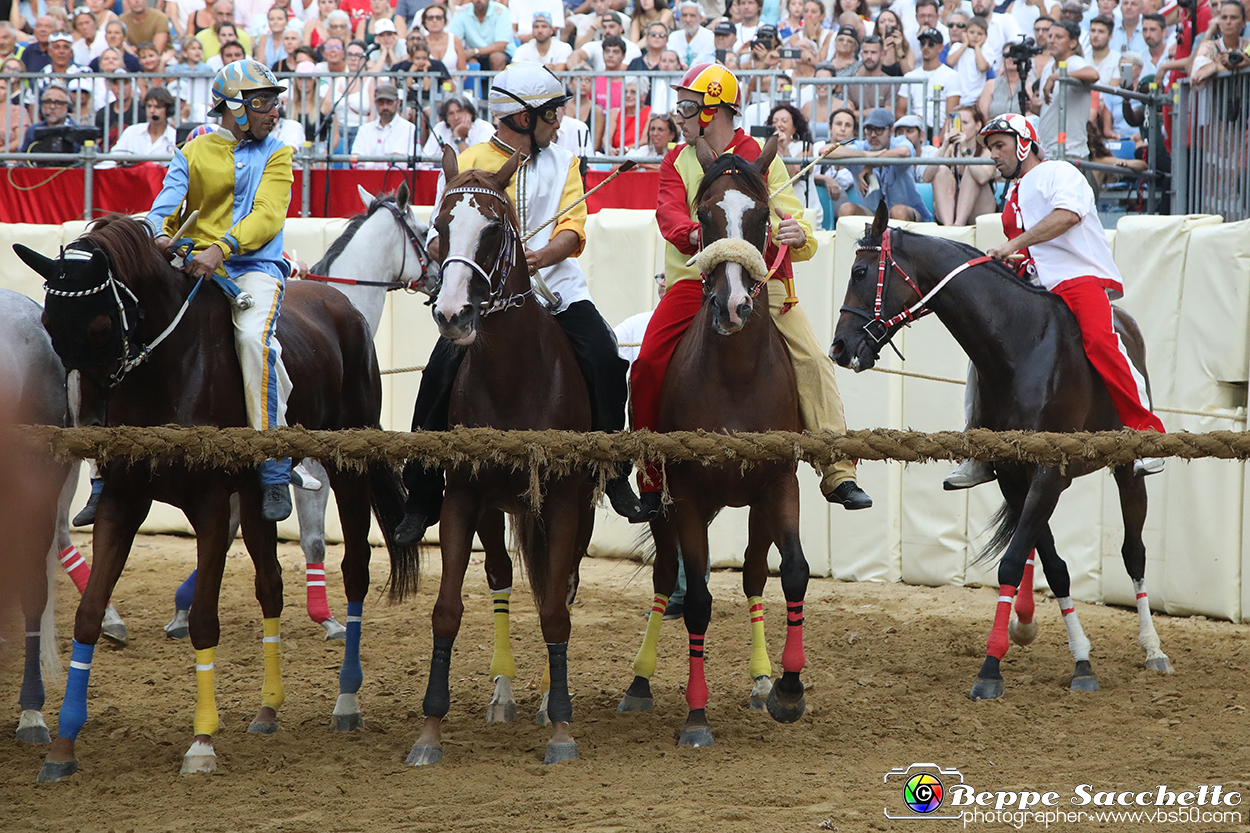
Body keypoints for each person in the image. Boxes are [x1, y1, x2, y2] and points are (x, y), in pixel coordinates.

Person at [394, 62, 648, 544]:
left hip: (559, 291)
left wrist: (534, 259)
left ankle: (614, 473)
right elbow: (438, 235)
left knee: (606, 359)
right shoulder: (469, 159)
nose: (559, 122)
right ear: (524, 117)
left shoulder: (565, 161)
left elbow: (572, 232)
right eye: (551, 114)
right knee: (437, 375)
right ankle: (424, 492)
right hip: (483, 303)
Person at [634, 63, 873, 517]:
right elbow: (670, 217)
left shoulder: (764, 159)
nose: (677, 117)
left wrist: (798, 234)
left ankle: (838, 469)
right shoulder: (674, 161)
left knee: (813, 359)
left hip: (765, 284)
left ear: (712, 111)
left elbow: (792, 216)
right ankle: (651, 476)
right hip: (692, 282)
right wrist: (703, 237)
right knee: (646, 362)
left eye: (686, 107)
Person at [946, 114, 1164, 488]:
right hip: (1036, 283)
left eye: (999, 146)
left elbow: (1067, 216)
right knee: (983, 350)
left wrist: (1014, 245)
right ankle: (978, 448)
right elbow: (1038, 248)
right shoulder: (1013, 192)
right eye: (990, 148)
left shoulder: (1060, 172)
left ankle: (1147, 433)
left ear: (1024, 143)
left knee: (1100, 340)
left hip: (1078, 278)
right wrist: (1016, 258)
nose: (994, 156)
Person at [144, 59, 297, 522]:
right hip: (191, 266)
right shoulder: (191, 152)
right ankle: (104, 472)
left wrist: (220, 248)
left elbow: (268, 216)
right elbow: (164, 209)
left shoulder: (280, 153)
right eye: (265, 103)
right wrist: (159, 235)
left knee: (253, 339)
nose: (275, 111)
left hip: (253, 269)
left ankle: (273, 464)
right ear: (236, 107)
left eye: (274, 102)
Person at [829, 106, 934, 221]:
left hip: (909, 214)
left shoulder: (900, 142)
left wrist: (870, 165)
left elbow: (903, 152)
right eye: (869, 129)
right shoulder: (862, 147)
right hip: (874, 217)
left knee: (898, 211)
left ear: (892, 131)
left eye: (879, 129)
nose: (873, 135)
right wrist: (868, 156)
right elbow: (825, 151)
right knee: (846, 209)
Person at [927, 103, 997, 225]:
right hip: (950, 212)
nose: (960, 128)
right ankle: (949, 227)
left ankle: (958, 225)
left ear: (978, 126)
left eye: (964, 123)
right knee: (941, 170)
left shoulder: (987, 152)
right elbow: (926, 177)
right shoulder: (950, 150)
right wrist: (944, 146)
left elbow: (982, 178)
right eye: (957, 123)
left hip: (980, 211)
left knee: (972, 171)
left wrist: (965, 152)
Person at [1038, 19, 1098, 160]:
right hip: (1048, 148)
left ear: (1072, 43)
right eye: (1050, 36)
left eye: (1058, 37)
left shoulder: (1074, 62)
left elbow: (1093, 74)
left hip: (1069, 150)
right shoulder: (1049, 66)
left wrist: (1058, 77)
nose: (1052, 40)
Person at [903, 26, 959, 130]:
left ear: (941, 48)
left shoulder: (952, 75)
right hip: (915, 129)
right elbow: (899, 111)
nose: (926, 47)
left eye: (931, 44)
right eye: (922, 43)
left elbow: (951, 115)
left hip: (939, 129)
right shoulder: (910, 76)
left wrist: (939, 141)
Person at [351, 82, 417, 167]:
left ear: (398, 103)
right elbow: (355, 160)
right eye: (381, 103)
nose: (385, 107)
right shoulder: (364, 130)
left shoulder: (409, 128)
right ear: (375, 103)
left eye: (389, 102)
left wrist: (370, 162)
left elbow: (406, 163)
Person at [1190, 0, 1250, 86]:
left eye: (1233, 18)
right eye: (1224, 17)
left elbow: (1207, 70)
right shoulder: (1208, 47)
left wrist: (1215, 68)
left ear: (1244, 22)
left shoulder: (1248, 45)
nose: (1228, 22)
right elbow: (1196, 75)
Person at [109, 85, 177, 158]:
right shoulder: (131, 131)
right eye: (149, 106)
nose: (152, 111)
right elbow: (114, 157)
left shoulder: (174, 137)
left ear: (169, 110)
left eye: (158, 107)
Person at [421, 94, 494, 156]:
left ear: (470, 113)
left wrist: (460, 138)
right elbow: (427, 158)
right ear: (446, 118)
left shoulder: (485, 129)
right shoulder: (440, 127)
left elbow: (473, 163)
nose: (456, 117)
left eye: (460, 111)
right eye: (451, 113)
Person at [447, 0, 513, 71]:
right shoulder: (461, 12)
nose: (478, 0)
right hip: (473, 54)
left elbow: (501, 46)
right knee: (467, 60)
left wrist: (473, 52)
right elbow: (453, 40)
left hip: (501, 54)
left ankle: (497, 82)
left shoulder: (501, 11)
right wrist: (466, 55)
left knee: (497, 58)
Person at [669, 0, 716, 67]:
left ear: (700, 18)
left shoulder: (709, 36)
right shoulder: (673, 36)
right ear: (680, 17)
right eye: (684, 15)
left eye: (692, 15)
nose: (688, 20)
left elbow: (705, 59)